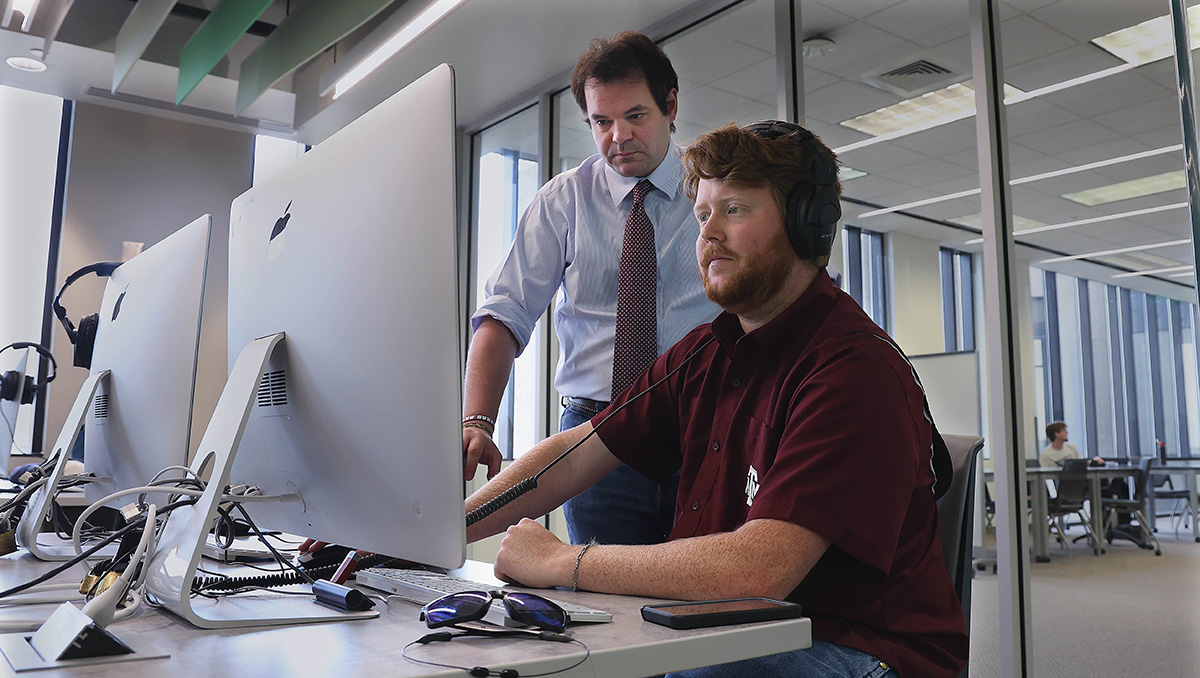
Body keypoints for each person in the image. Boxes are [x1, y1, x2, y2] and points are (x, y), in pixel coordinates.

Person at [465, 121, 968, 678]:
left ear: (807, 224)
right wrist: (450, 527)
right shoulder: (706, 353)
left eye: (734, 210)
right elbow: (577, 452)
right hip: (743, 631)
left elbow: (757, 571)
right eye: (703, 214)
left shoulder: (851, 370)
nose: (708, 235)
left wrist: (563, 561)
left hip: (859, 647)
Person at [462, 31, 718, 546]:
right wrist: (477, 421)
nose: (618, 136)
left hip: (704, 427)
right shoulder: (564, 200)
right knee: (607, 607)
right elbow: (505, 314)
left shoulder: (713, 189)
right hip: (596, 433)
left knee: (703, 603)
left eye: (636, 116)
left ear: (670, 106)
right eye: (601, 122)